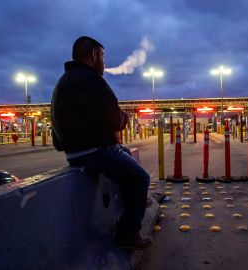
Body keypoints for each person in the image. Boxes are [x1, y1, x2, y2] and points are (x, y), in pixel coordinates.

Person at [50, 36, 151, 250]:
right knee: (140, 178)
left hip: (74, 152)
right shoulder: (91, 80)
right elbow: (114, 119)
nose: (104, 64)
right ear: (94, 55)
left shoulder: (64, 80)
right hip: (94, 151)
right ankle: (128, 233)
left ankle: (139, 203)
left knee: (125, 154)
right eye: (103, 57)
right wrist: (124, 117)